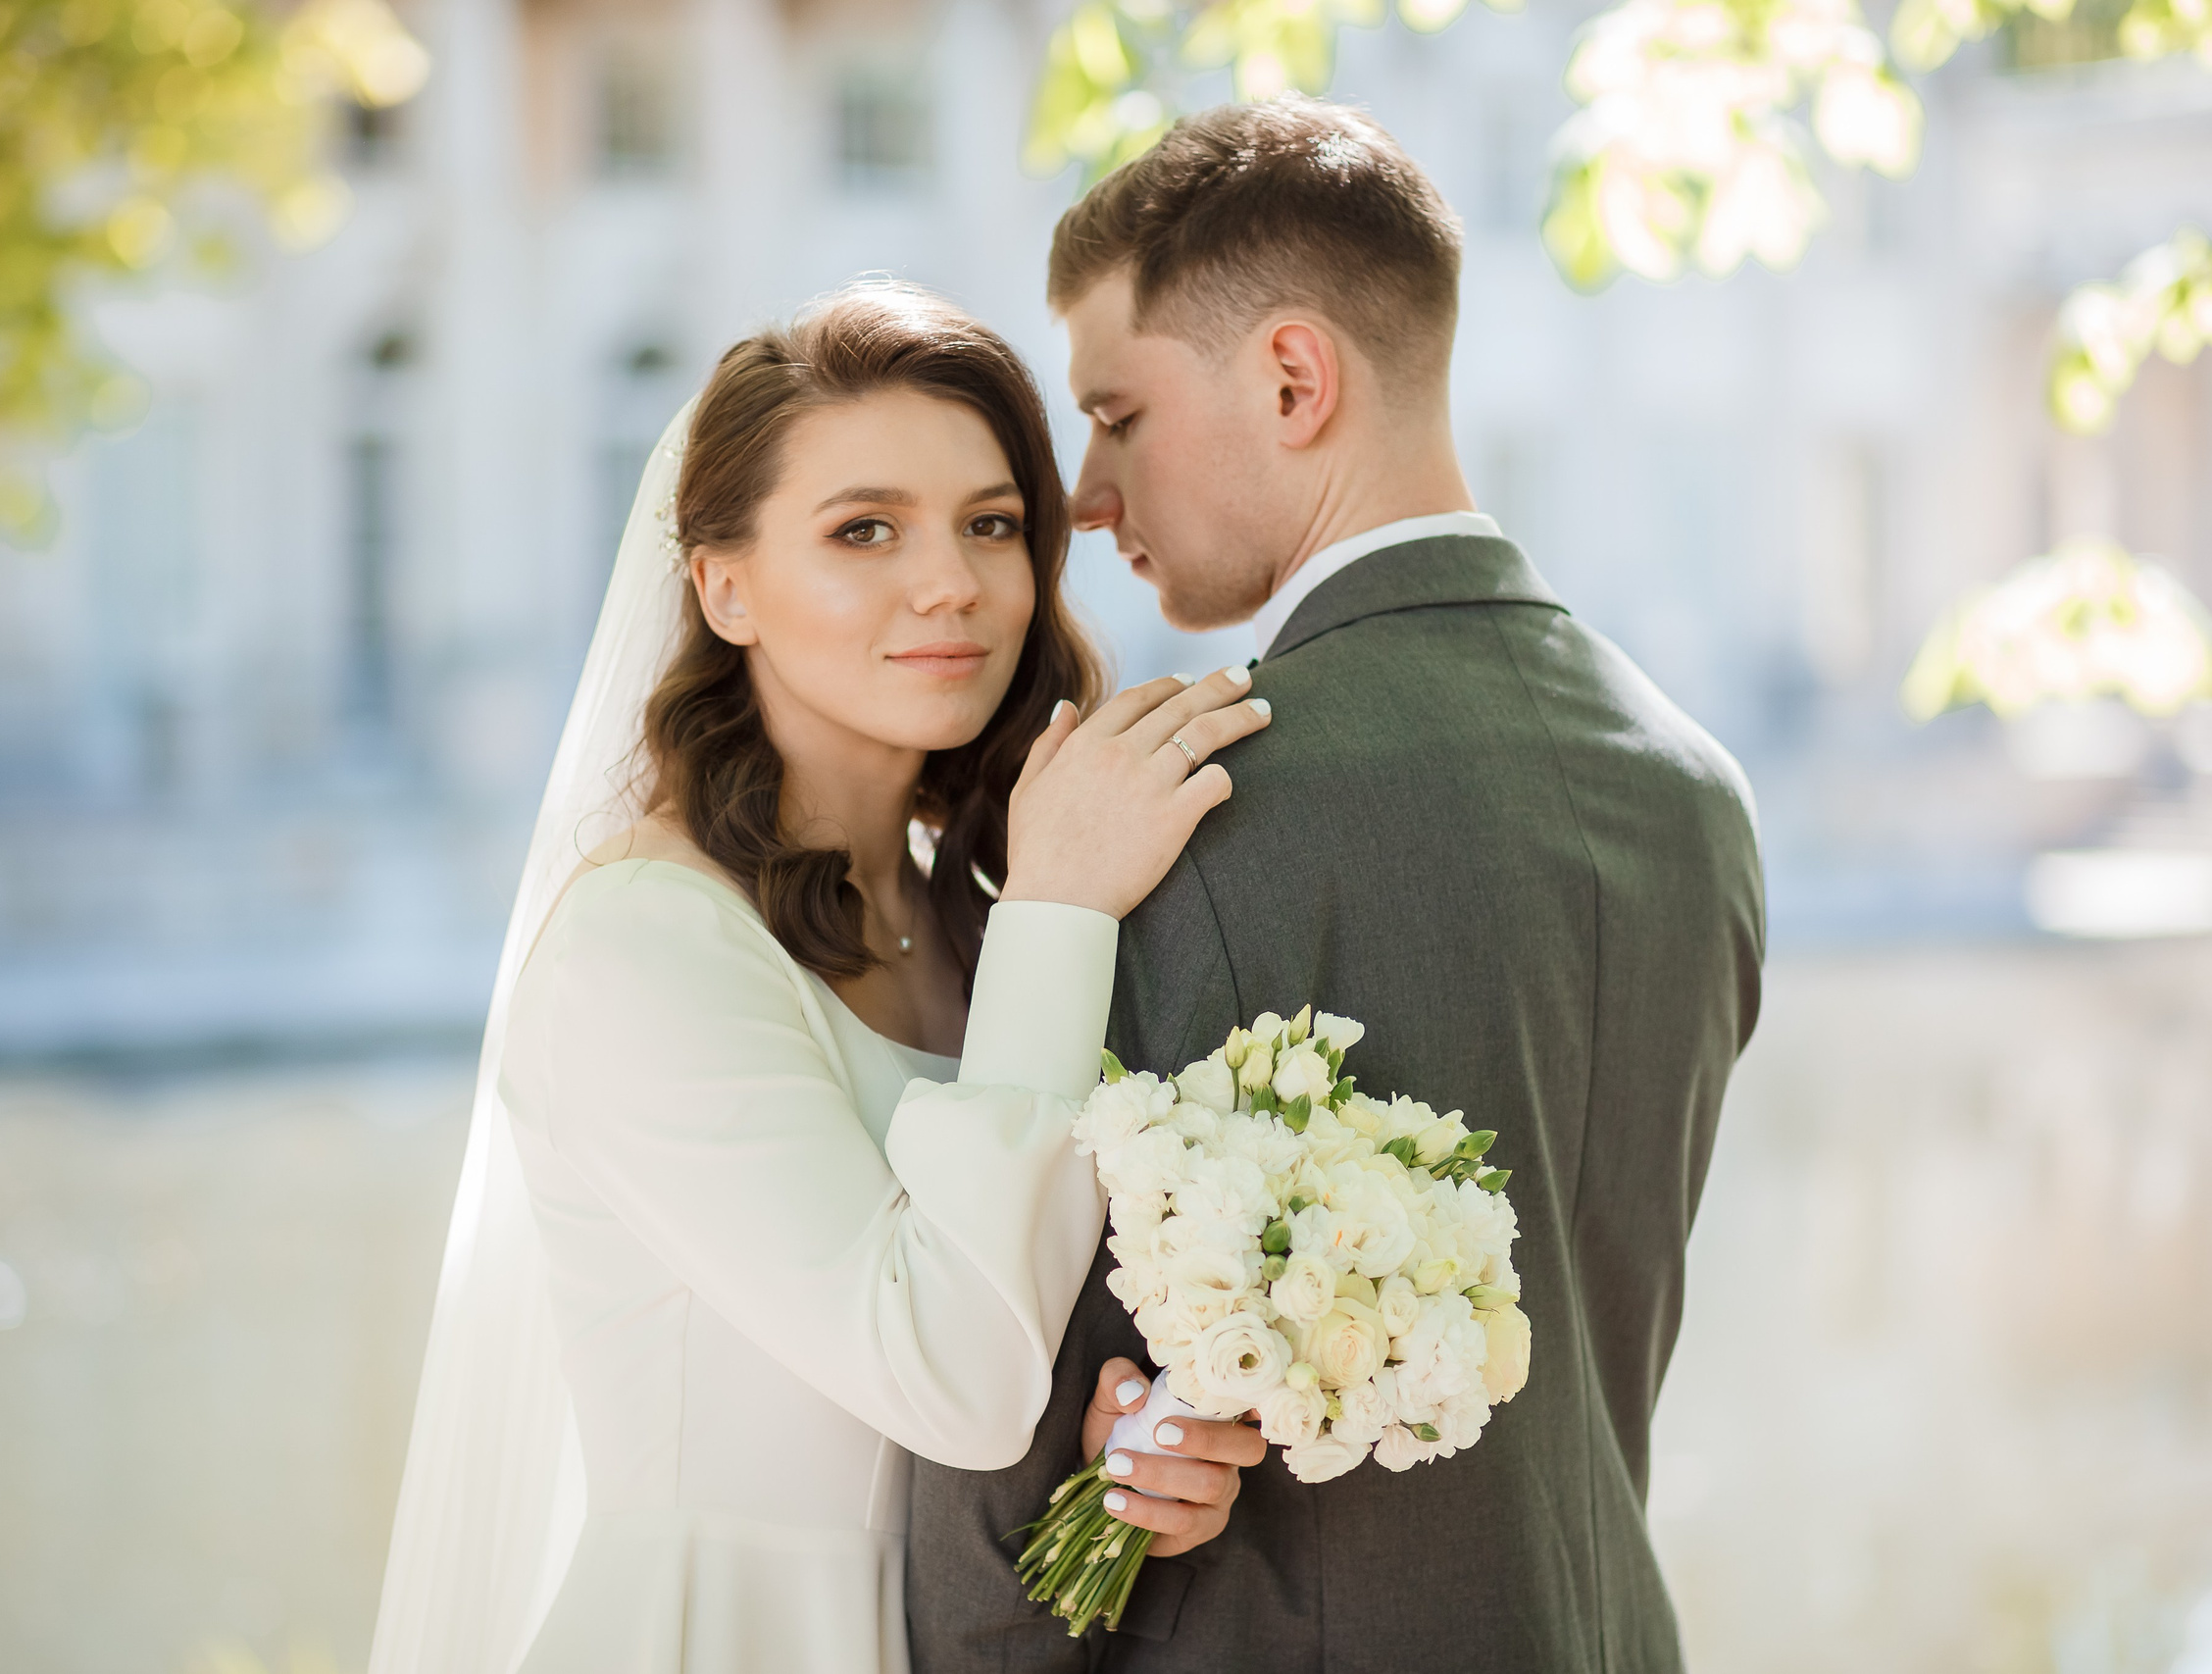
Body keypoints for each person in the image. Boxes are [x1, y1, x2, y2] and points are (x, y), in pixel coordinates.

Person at [906, 97, 1767, 1672]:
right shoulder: (1697, 796)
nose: (1084, 497)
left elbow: (993, 1460)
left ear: (1293, 379)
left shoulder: (1177, 812)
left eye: (1118, 416)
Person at [368, 284, 1266, 1674]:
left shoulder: (970, 925)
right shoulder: (648, 948)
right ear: (723, 585)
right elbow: (953, 1381)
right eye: (864, 530)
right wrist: (1061, 905)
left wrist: (1120, 1462)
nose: (951, 583)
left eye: (991, 523)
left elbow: (987, 1373)